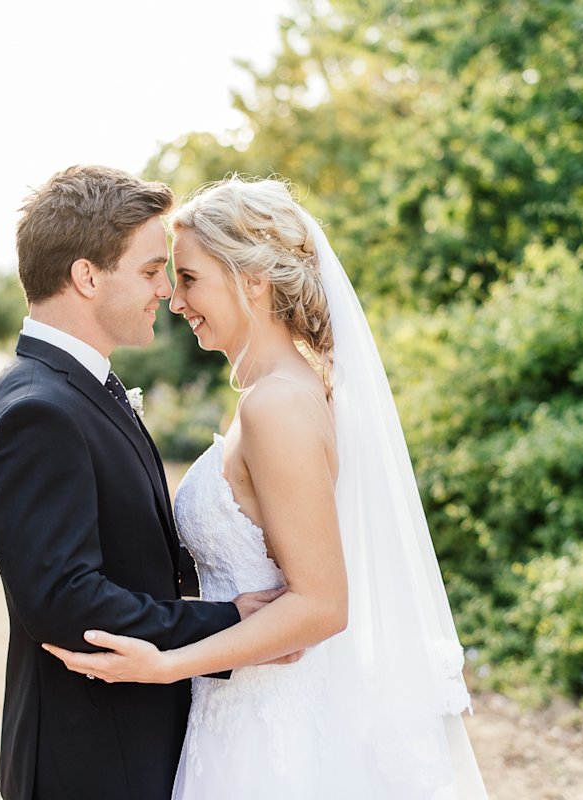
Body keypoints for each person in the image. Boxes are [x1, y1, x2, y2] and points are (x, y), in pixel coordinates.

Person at [44, 177, 489, 798]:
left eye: (191, 278)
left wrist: (166, 663)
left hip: (274, 729)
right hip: (241, 711)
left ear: (252, 280)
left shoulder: (276, 405)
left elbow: (321, 604)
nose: (175, 300)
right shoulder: (279, 391)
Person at [0, 165, 284, 800]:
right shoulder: (39, 410)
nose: (166, 292)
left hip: (129, 742)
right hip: (89, 760)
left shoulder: (80, 389)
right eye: (148, 271)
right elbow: (65, 603)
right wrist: (222, 624)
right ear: (87, 277)